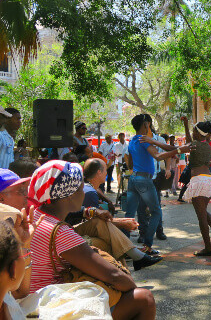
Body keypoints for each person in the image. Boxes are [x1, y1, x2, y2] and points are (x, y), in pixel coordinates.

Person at [27, 160, 157, 319]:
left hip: (32, 300)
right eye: (81, 188)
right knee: (144, 298)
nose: (84, 193)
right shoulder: (60, 232)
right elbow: (114, 276)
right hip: (49, 307)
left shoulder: (34, 218)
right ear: (68, 195)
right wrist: (131, 286)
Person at [125, 114, 190, 254]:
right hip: (144, 180)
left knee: (129, 214)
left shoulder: (132, 141)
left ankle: (124, 248)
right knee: (156, 212)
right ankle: (147, 246)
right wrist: (179, 150)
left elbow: (130, 163)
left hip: (133, 179)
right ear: (146, 125)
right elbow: (158, 156)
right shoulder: (144, 141)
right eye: (149, 124)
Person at [178, 116, 211, 256]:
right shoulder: (206, 144)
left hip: (198, 181)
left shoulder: (196, 144)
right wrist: (187, 125)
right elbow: (189, 139)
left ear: (198, 133)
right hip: (207, 180)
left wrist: (186, 124)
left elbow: (188, 140)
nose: (191, 133)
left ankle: (208, 248)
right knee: (203, 212)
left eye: (193, 131)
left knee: (201, 217)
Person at [0, 208, 44, 319]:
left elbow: (21, 293)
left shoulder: (4, 298)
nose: (25, 255)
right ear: (13, 268)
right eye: (23, 256)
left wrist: (25, 244)